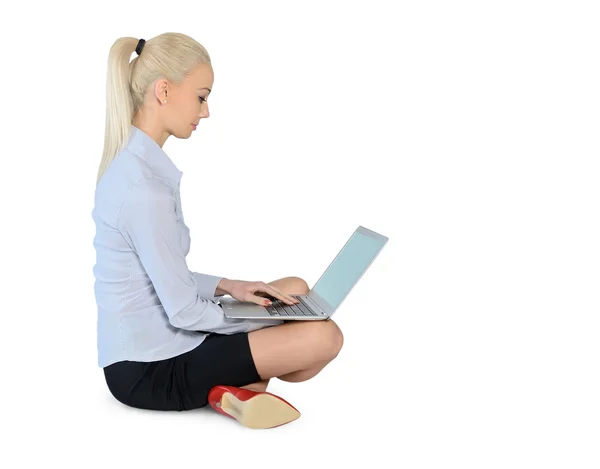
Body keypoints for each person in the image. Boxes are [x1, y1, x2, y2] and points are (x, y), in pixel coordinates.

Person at [92, 32, 344, 429]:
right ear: (163, 91)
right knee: (325, 338)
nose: (205, 111)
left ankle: (239, 388)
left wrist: (232, 287)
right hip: (148, 370)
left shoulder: (138, 167)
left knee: (294, 287)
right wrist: (269, 322)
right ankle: (239, 385)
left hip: (161, 343)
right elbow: (183, 311)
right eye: (201, 96)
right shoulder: (141, 190)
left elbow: (158, 277)